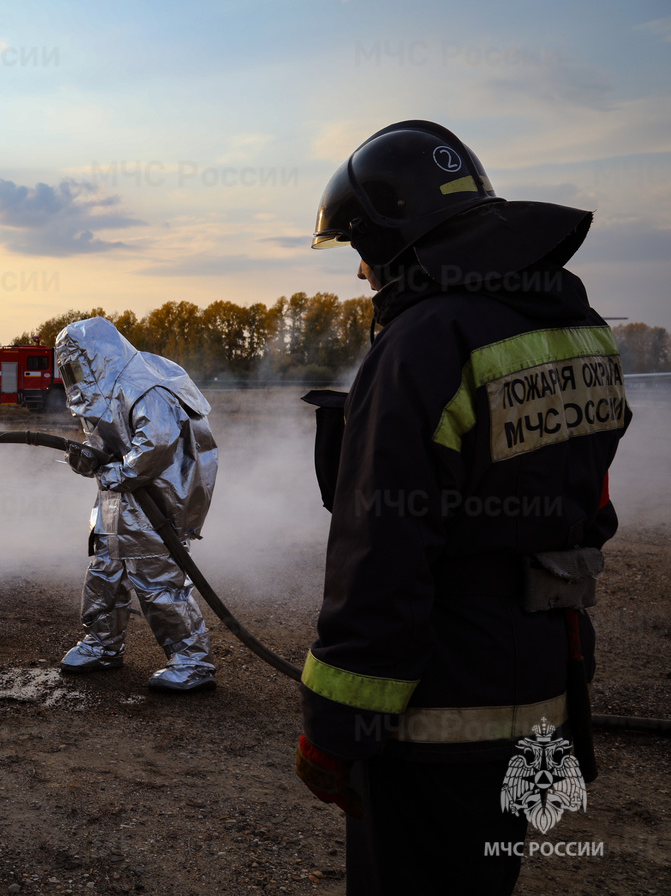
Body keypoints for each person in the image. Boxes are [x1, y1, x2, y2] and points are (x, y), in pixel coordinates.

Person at [294, 120, 630, 894]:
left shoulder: (424, 341)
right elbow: (593, 504)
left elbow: (382, 557)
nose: (361, 276)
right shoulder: (582, 329)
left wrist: (336, 732)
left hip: (437, 717)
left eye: (360, 251)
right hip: (543, 689)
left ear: (395, 240)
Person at [55, 317, 219, 692]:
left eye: (78, 364)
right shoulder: (108, 387)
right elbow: (108, 436)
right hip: (119, 501)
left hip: (156, 504)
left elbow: (155, 444)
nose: (74, 374)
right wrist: (88, 454)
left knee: (157, 582)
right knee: (104, 573)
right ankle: (102, 645)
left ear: (97, 356)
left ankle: (192, 662)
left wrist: (113, 474)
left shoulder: (145, 383)